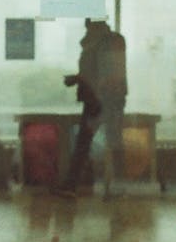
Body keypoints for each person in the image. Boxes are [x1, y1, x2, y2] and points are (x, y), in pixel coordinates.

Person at [52, 19, 126, 198]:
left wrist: (81, 81)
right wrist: (79, 79)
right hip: (107, 99)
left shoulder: (101, 43)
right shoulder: (108, 41)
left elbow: (103, 72)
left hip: (99, 100)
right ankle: (117, 187)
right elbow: (102, 71)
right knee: (110, 141)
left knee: (84, 143)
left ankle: (72, 185)